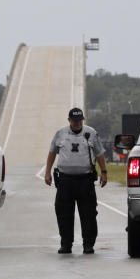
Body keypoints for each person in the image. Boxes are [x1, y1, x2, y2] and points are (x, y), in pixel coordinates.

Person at [44, 107, 108, 254]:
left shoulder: (91, 133)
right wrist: (47, 172)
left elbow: (100, 153)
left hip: (85, 180)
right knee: (64, 214)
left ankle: (88, 244)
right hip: (65, 181)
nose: (78, 123)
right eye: (75, 121)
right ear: (69, 120)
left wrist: (104, 172)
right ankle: (66, 244)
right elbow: (52, 152)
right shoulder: (60, 133)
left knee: (89, 214)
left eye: (80, 120)